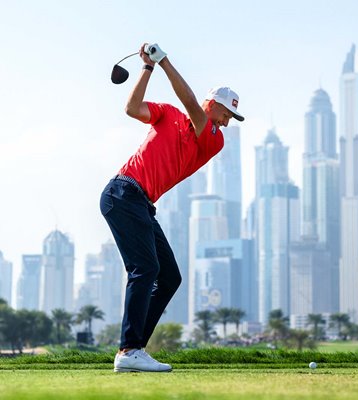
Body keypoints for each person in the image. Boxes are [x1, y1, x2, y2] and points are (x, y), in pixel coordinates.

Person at [99, 43, 244, 373]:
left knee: (169, 277)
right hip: (123, 193)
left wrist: (163, 61)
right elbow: (132, 107)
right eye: (225, 113)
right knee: (146, 270)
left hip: (140, 203)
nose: (226, 122)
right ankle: (129, 350)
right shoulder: (167, 113)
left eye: (230, 118)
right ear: (213, 104)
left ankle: (133, 349)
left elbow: (192, 105)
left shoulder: (212, 138)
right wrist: (150, 67)